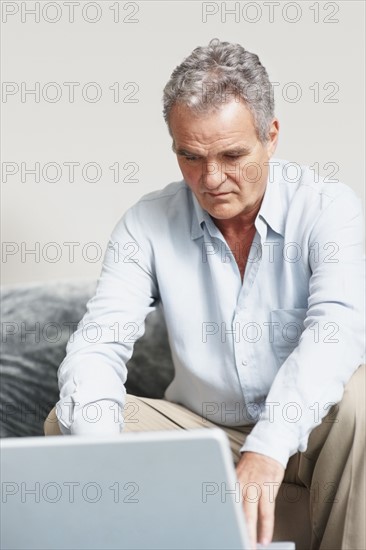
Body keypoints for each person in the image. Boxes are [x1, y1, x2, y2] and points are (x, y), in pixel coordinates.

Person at [44, 39, 365, 549]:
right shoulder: (146, 224)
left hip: (309, 438)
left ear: (272, 136)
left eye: (232, 155)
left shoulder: (330, 211)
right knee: (70, 423)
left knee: (361, 398)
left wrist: (268, 447)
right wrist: (99, 464)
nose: (211, 179)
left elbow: (338, 332)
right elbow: (96, 347)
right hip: (203, 432)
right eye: (190, 156)